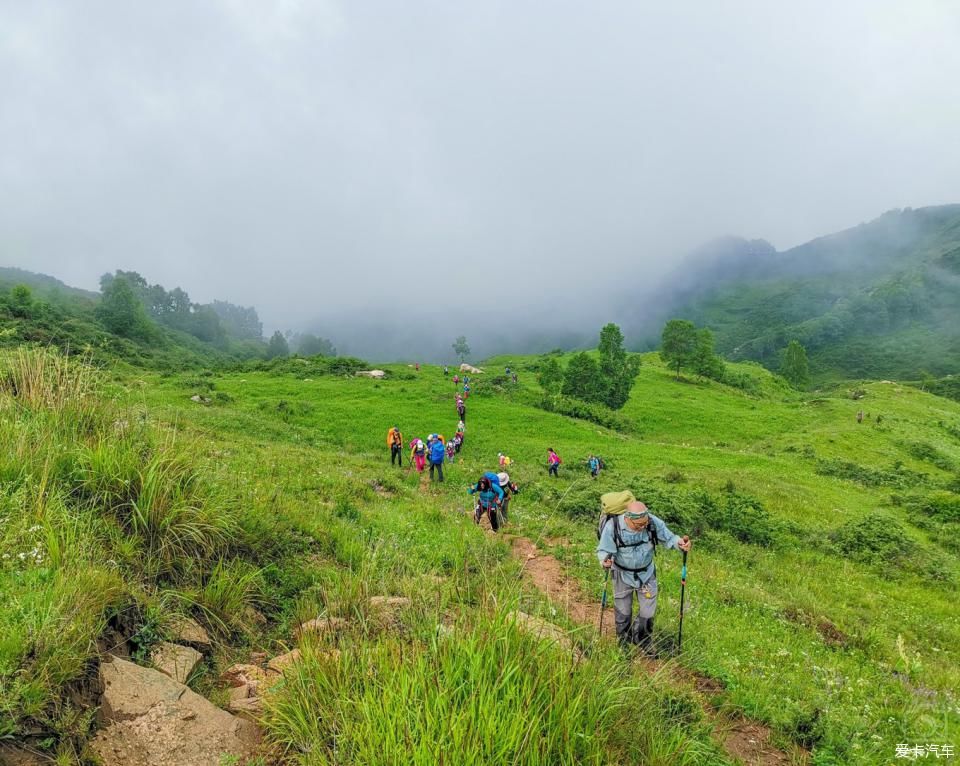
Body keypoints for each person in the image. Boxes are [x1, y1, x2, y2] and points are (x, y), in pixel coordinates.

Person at [597, 501, 692, 651]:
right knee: (623, 610)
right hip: (622, 574)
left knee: (648, 612)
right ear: (627, 518)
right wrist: (605, 561)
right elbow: (603, 550)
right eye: (638, 525)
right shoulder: (613, 527)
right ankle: (623, 642)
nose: (642, 527)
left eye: (644, 523)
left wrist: (680, 543)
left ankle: (643, 640)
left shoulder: (652, 522)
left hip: (646, 574)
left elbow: (670, 538)